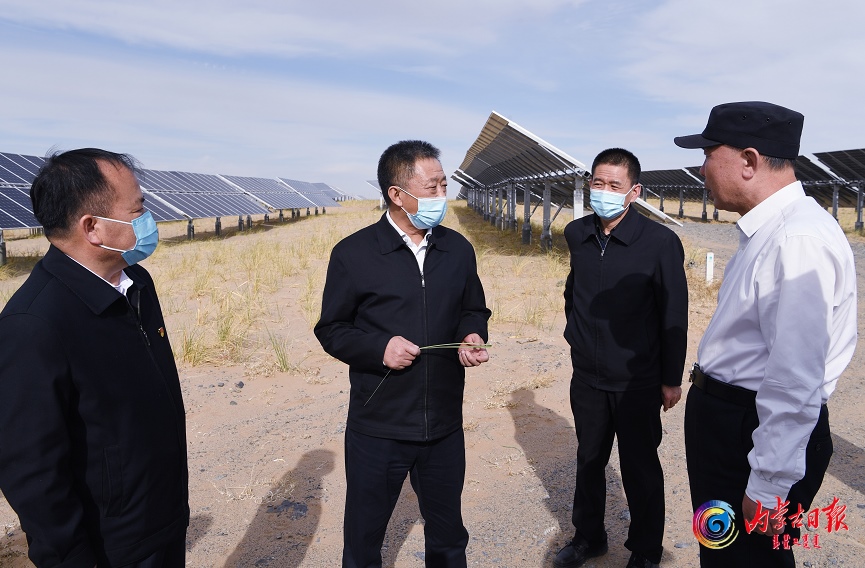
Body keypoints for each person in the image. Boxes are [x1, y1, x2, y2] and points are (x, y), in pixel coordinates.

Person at [675, 101, 857, 567]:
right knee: (722, 551)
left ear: (749, 160)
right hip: (733, 425)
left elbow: (795, 378)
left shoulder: (797, 240)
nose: (701, 169)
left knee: (748, 559)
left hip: (748, 432)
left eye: (708, 154)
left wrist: (770, 486)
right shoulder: (771, 230)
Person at [0, 149, 189, 567]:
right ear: (93, 228)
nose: (148, 219)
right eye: (137, 210)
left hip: (163, 517)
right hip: (112, 547)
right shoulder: (33, 325)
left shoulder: (136, 282)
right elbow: (33, 476)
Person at [314, 140, 491, 567]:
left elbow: (473, 307)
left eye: (444, 185)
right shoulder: (354, 254)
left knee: (449, 537)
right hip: (380, 427)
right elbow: (332, 329)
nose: (442, 196)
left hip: (443, 423)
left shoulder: (457, 249)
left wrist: (472, 334)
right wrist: (379, 348)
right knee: (363, 538)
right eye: (432, 188)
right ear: (397, 194)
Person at [554, 148, 688, 568]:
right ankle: (588, 537)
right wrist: (577, 337)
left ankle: (646, 550)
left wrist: (670, 378)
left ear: (634, 192)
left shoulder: (660, 242)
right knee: (589, 459)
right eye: (598, 183)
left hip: (637, 380)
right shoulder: (577, 234)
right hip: (588, 376)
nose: (604, 191)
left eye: (615, 185)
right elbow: (573, 293)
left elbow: (673, 314)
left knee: (640, 467)